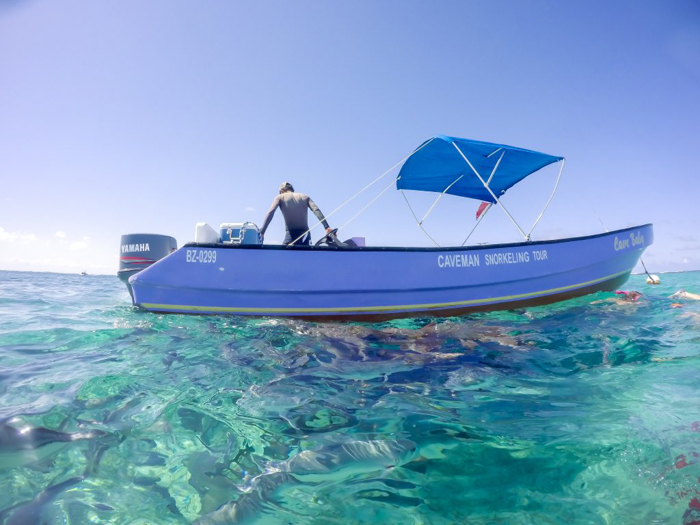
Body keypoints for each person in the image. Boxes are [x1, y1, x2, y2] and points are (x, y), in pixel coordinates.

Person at [259, 182, 332, 245]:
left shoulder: (280, 197)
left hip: (290, 234)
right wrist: (326, 227)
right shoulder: (305, 196)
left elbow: (271, 211)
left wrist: (262, 232)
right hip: (305, 235)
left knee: (285, 258)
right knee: (306, 259)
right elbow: (316, 210)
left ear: (282, 191)